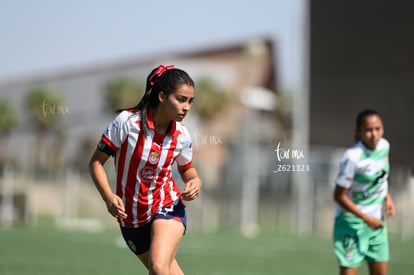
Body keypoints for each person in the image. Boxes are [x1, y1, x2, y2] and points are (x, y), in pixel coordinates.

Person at [89, 65, 202, 275]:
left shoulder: (182, 135)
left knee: (158, 267)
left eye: (190, 101)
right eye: (181, 99)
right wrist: (107, 197)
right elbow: (96, 163)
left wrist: (195, 182)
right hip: (131, 218)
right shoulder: (127, 122)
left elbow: (188, 169)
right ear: (161, 96)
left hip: (167, 206)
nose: (186, 107)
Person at [333, 109, 395, 275]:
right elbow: (338, 196)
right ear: (359, 132)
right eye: (368, 130)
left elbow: (381, 176)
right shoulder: (352, 157)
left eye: (378, 129)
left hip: (376, 224)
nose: (374, 134)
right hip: (351, 225)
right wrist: (366, 218)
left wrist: (387, 198)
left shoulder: (384, 146)